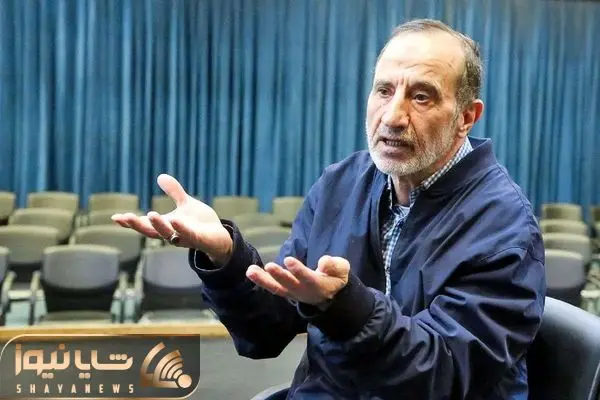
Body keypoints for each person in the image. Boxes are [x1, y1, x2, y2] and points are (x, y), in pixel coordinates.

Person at [113, 19, 546, 399]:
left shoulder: (503, 226)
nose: (392, 116)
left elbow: (440, 377)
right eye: (384, 90)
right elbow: (267, 329)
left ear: (466, 117)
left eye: (421, 97)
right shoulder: (342, 183)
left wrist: (346, 308)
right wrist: (226, 256)